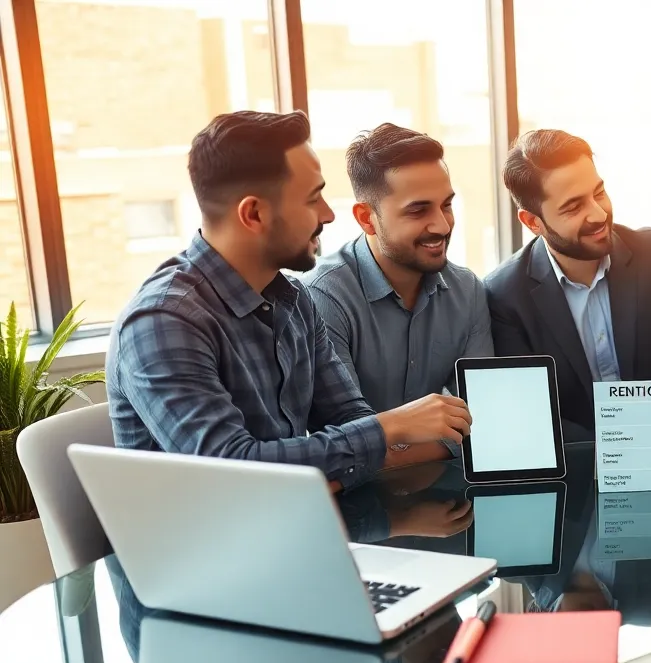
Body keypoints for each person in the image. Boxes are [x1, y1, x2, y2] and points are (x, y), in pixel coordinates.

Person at [106, 110, 472, 492]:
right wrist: (388, 427)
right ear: (254, 213)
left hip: (289, 527)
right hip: (195, 546)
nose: (329, 214)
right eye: (313, 199)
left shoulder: (293, 299)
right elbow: (232, 470)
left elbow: (351, 421)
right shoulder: (165, 320)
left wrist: (352, 452)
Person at [484, 129, 651, 441]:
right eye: (573, 207)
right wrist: (617, 454)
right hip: (577, 473)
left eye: (598, 193)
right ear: (532, 222)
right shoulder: (504, 295)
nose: (598, 213)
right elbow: (533, 418)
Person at [304, 123, 493, 466]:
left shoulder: (468, 291)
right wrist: (441, 444)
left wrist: (393, 451)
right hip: (352, 508)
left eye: (446, 205)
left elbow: (484, 418)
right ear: (366, 218)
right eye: (418, 210)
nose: (442, 225)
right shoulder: (323, 297)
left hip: (445, 500)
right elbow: (343, 442)